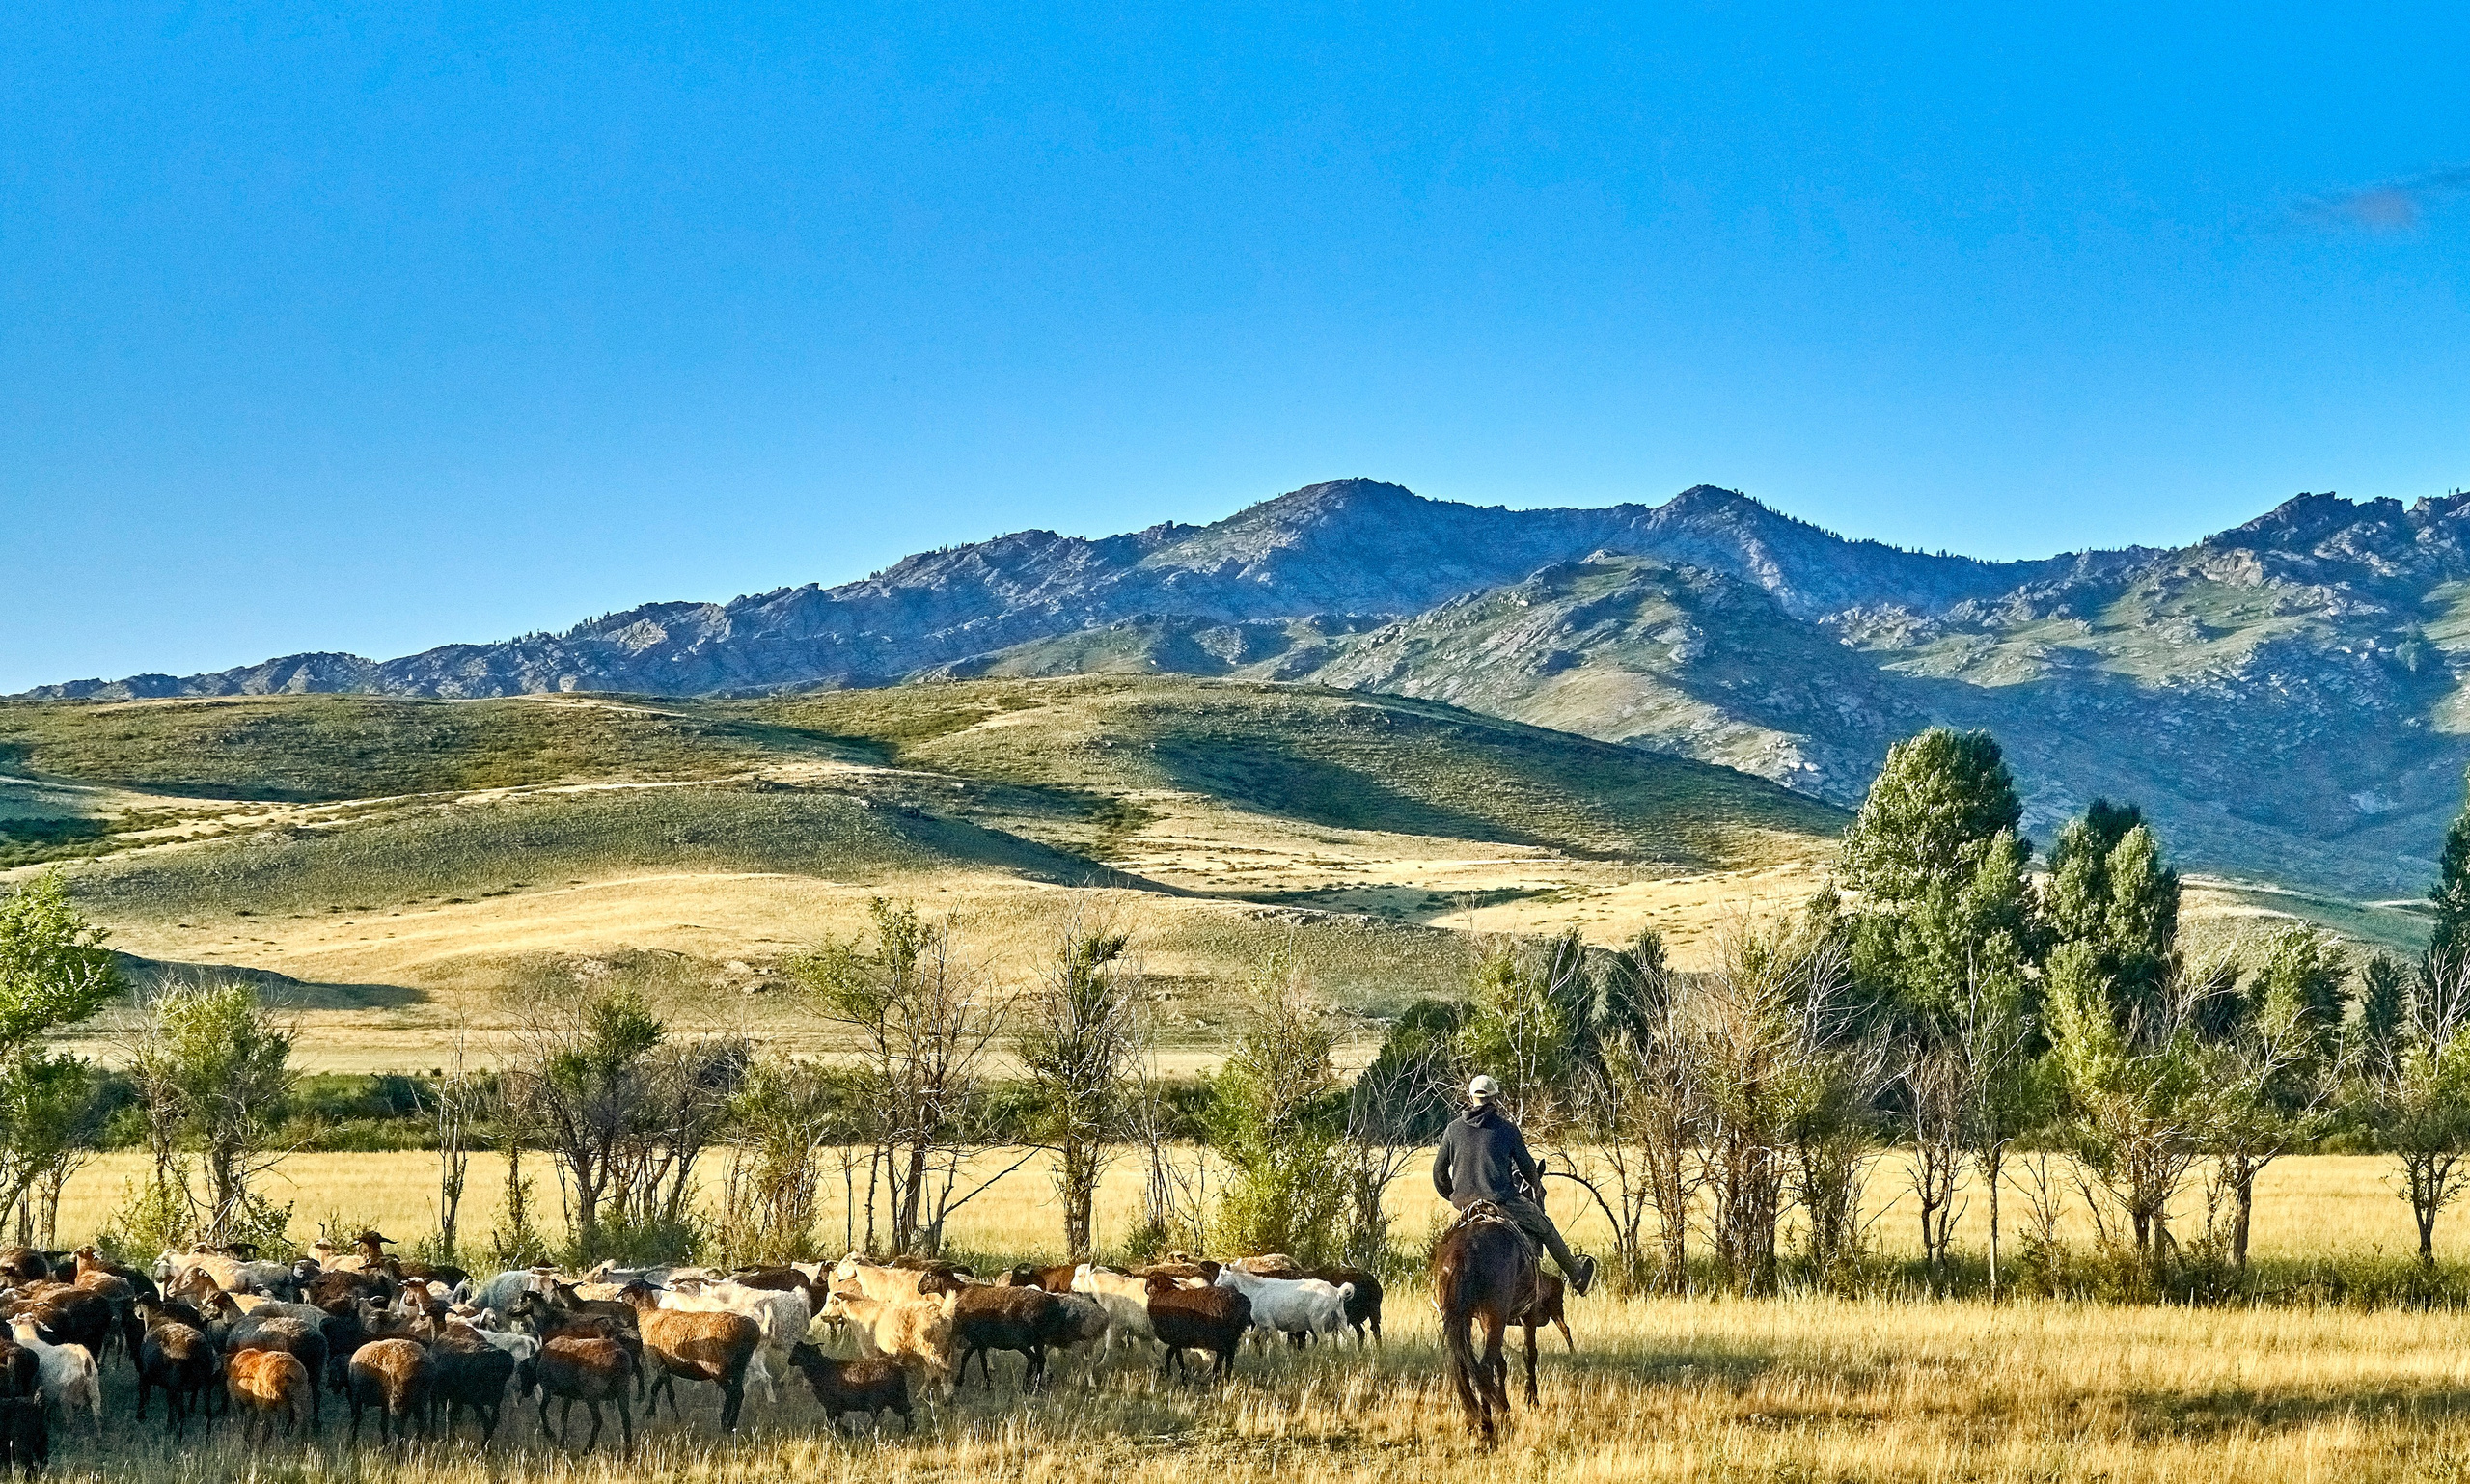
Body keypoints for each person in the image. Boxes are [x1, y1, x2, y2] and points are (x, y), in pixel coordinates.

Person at [1431, 1074, 1597, 1295]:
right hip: (1504, 1202)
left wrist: (1455, 1196)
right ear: (1495, 1098)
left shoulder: (1453, 1130)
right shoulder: (1506, 1129)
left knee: (1445, 1246)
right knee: (1545, 1227)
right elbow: (1527, 1166)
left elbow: (1438, 1172)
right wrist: (1535, 1185)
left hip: (1466, 1208)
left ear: (1471, 1097)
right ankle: (1577, 1277)